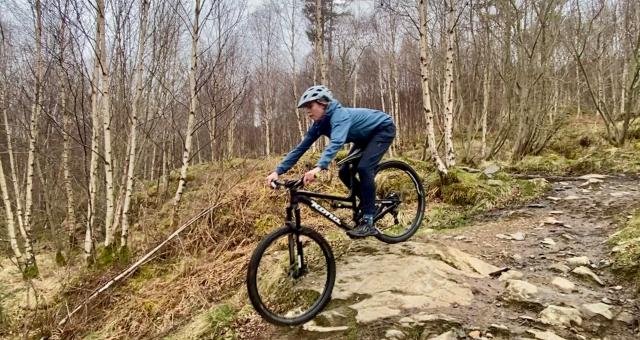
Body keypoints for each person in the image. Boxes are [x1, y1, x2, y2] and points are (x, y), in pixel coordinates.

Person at [265, 85, 396, 238]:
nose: (307, 111)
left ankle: (368, 220)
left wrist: (318, 167)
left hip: (382, 129)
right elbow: (300, 149)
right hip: (363, 138)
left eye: (310, 106)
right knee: (344, 172)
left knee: (365, 168)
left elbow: (336, 142)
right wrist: (277, 171)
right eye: (305, 108)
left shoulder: (339, 116)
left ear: (323, 103)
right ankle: (371, 204)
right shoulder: (319, 124)